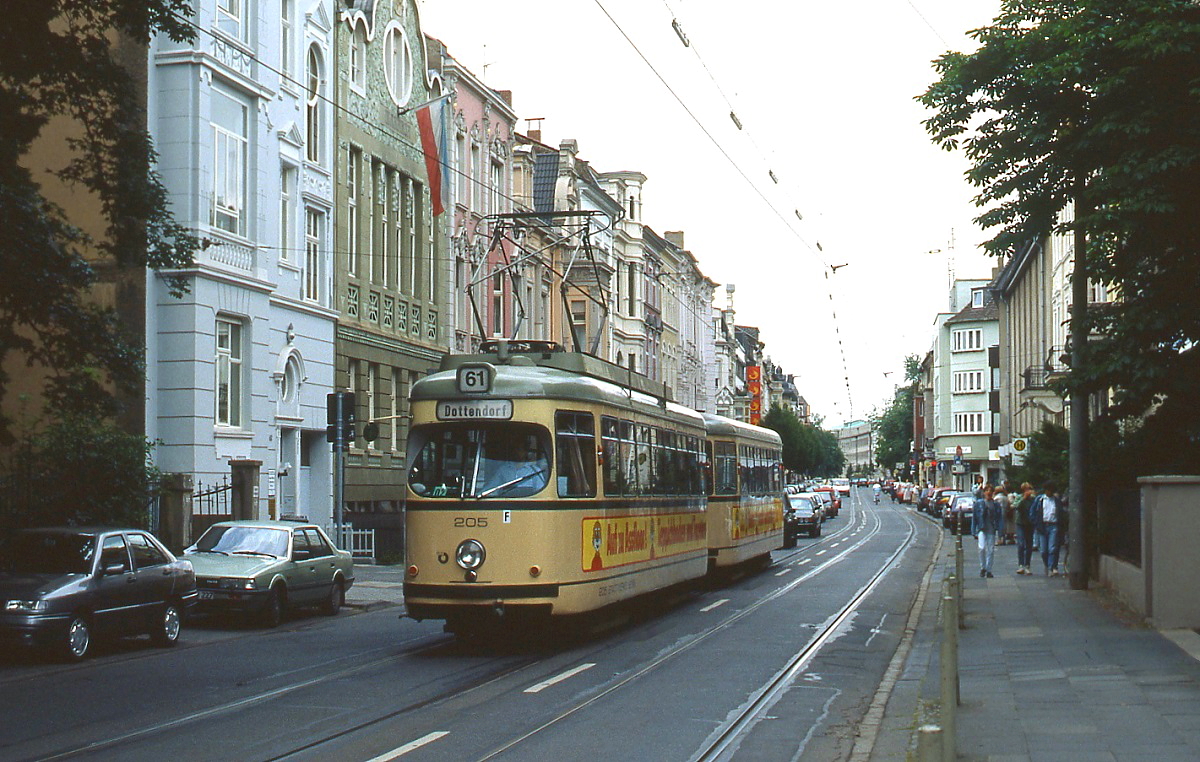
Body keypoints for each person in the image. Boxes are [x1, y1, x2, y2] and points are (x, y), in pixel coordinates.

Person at [1030, 481, 1064, 576]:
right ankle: (1048, 564)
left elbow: (1061, 513)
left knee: (1052, 548)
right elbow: (1032, 512)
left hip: (1053, 525)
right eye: (1048, 490)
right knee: (1043, 550)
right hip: (1042, 526)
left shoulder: (1056, 500)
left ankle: (1051, 567)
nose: (1049, 492)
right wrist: (1036, 523)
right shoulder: (1039, 500)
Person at [972, 484, 1003, 578]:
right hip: (982, 528)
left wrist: (1000, 532)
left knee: (991, 550)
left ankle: (989, 569)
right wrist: (973, 530)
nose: (988, 493)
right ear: (984, 493)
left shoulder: (996, 505)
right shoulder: (979, 503)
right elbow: (975, 517)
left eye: (990, 491)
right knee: (981, 548)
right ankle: (983, 567)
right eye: (987, 491)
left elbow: (999, 518)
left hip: (991, 529)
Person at [1013, 482, 1035, 574]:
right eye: (1026, 489)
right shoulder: (1019, 497)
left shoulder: (1033, 499)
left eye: (1029, 489)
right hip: (1020, 523)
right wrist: (1024, 499)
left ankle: (1027, 565)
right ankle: (1021, 564)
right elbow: (1016, 506)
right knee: (1021, 544)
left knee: (1029, 544)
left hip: (1030, 523)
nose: (1028, 491)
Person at [995, 481, 1013, 545]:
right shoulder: (1005, 497)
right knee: (1004, 526)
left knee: (999, 526)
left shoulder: (997, 498)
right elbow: (1008, 505)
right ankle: (1004, 539)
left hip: (998, 512)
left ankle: (1000, 539)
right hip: (1005, 511)